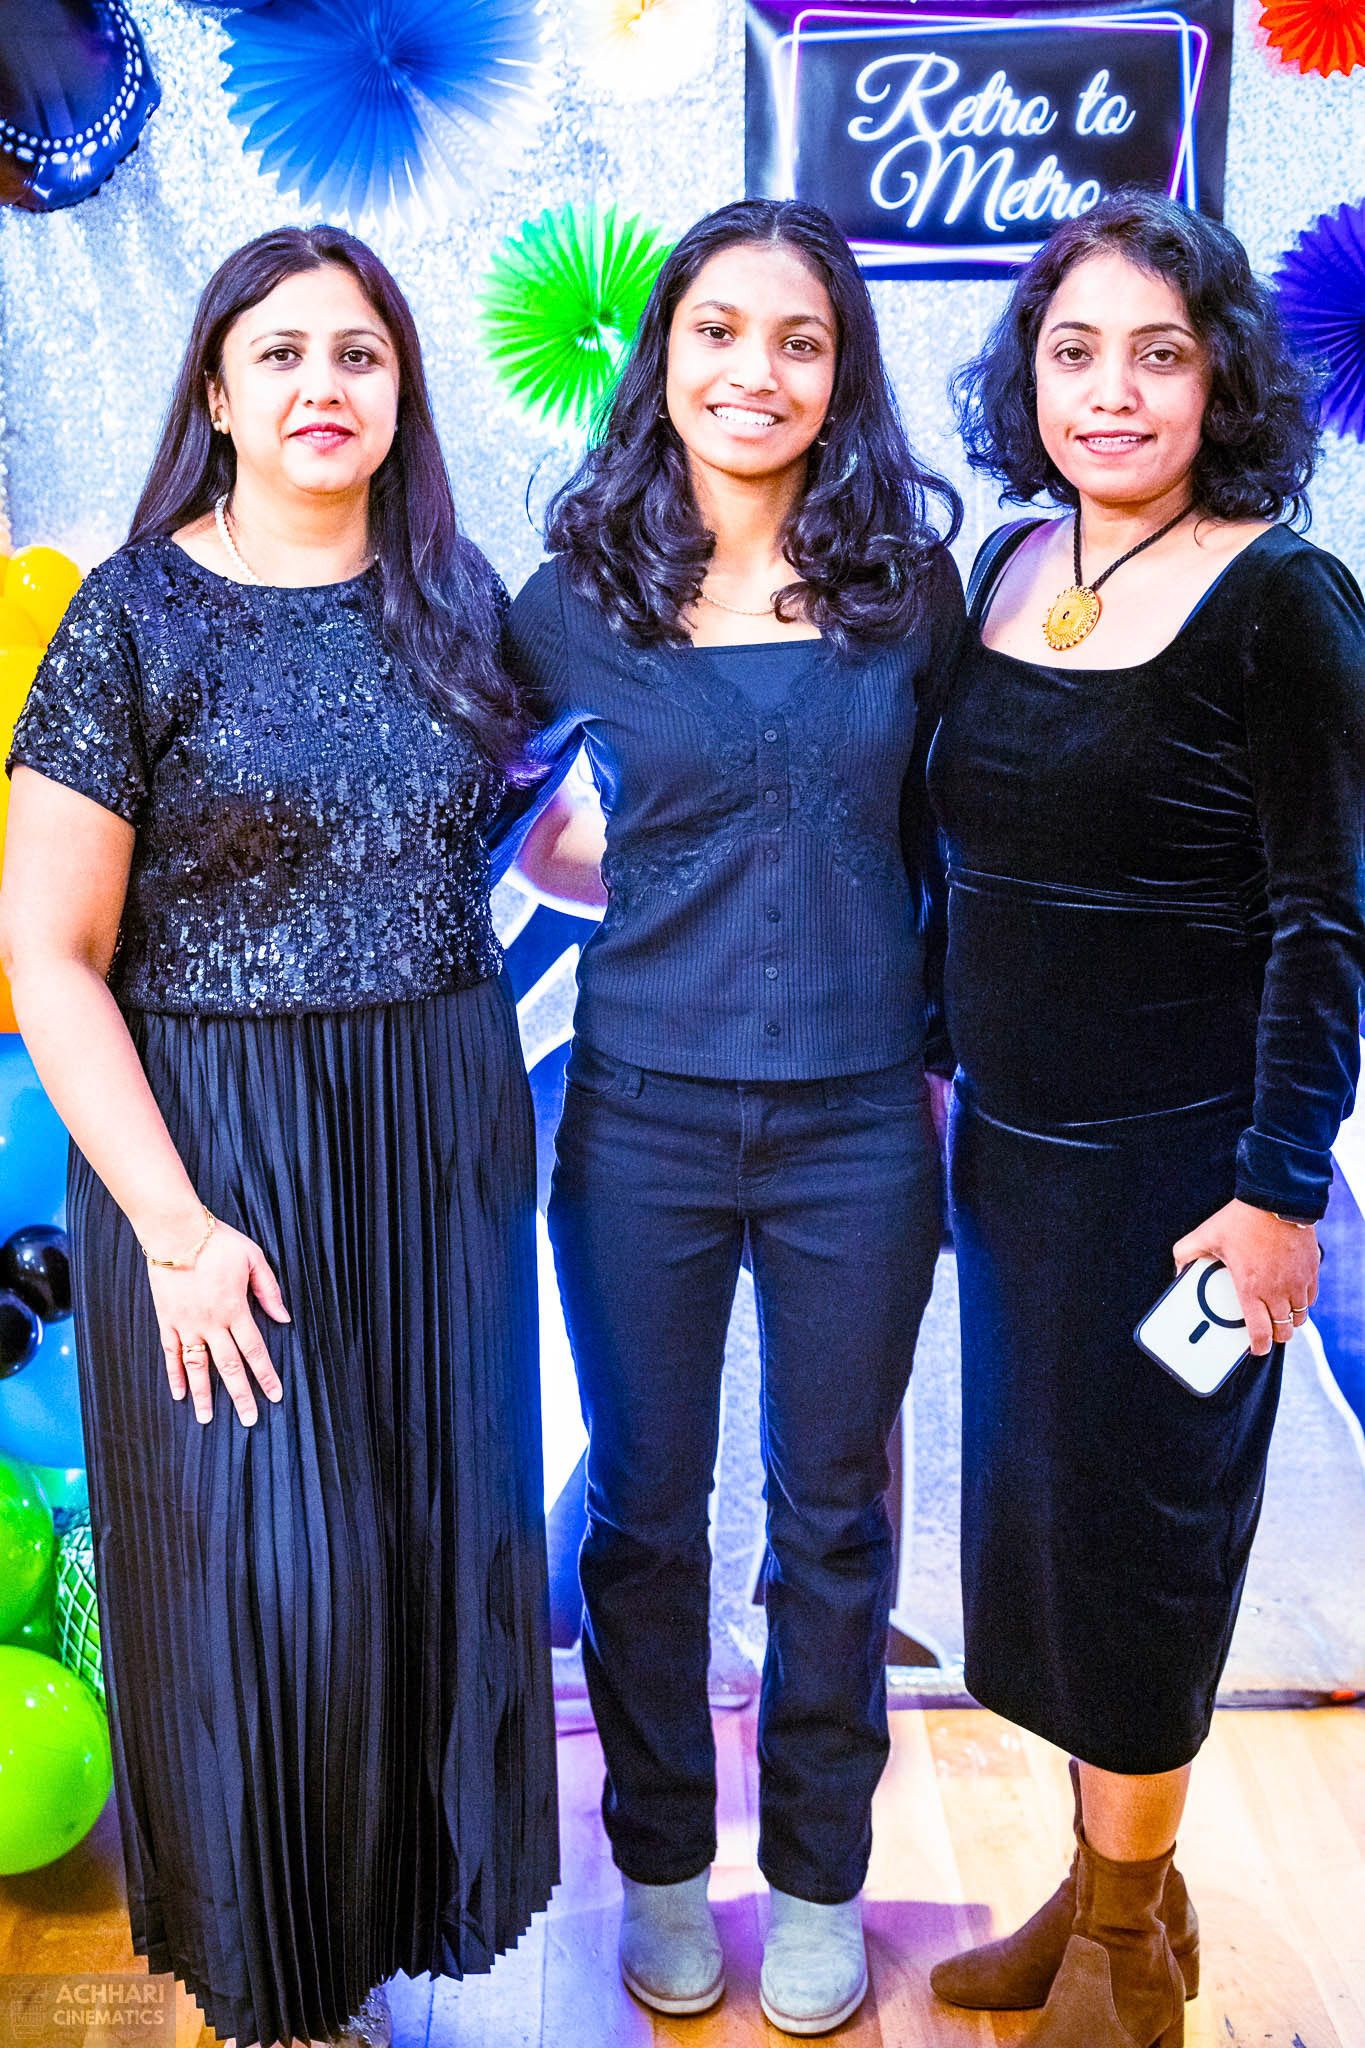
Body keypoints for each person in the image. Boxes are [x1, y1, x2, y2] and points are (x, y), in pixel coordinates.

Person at [0, 225, 557, 2048]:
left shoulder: (458, 601)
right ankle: (275, 1988)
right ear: (219, 394)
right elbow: (50, 954)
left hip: (434, 1143)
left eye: (361, 355)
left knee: (406, 1568)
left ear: (402, 394)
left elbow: (517, 846)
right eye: (284, 354)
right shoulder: (132, 616)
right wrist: (170, 1229)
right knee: (267, 1588)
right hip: (208, 1158)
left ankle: (368, 1962)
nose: (325, 385)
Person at [497, 197, 964, 2037]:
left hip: (860, 1127)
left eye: (797, 339)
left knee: (831, 1518)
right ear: (663, 356)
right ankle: (667, 1865)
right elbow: (484, 817)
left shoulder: (910, 594)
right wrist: (621, 870)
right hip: (640, 1127)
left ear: (839, 373)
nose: (753, 370)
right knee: (643, 1514)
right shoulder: (573, 598)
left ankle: (824, 1876)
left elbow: (949, 841)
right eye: (718, 331)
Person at [927, 190, 1365, 2048]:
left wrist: (1276, 1192)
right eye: (1073, 351)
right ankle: (1116, 1893)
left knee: (1145, 1552)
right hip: (1010, 1178)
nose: (1110, 392)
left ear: (1220, 383)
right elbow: (960, 866)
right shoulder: (1008, 562)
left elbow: (1327, 923)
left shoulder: (1285, 600)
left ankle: (1125, 1962)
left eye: (1158, 355)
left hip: (1188, 1197)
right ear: (1027, 377)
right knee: (1041, 1551)